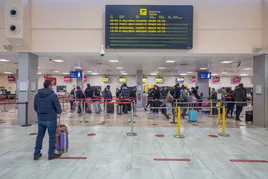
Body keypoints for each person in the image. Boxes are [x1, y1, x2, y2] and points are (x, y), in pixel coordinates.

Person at [33, 80, 62, 160]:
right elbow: (58, 108)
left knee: (39, 136)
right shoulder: (53, 95)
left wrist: (40, 114)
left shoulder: (37, 95)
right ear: (49, 86)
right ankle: (51, 154)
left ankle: (36, 153)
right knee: (52, 137)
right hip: (51, 119)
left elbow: (35, 107)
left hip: (41, 119)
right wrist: (58, 112)